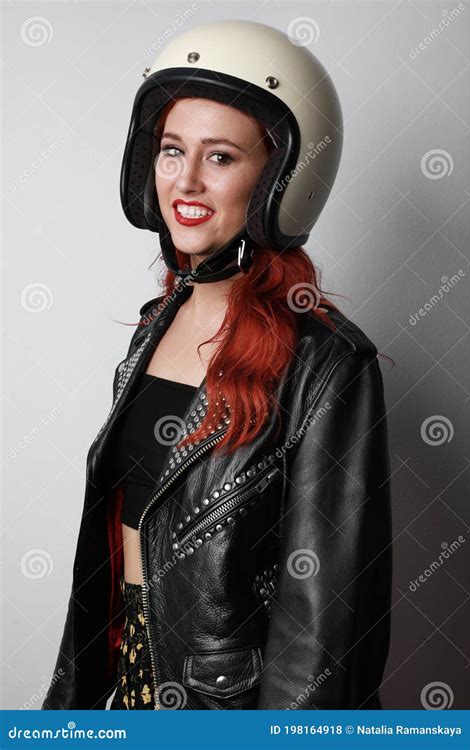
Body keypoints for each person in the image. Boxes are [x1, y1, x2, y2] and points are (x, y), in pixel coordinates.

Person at [42, 19, 392, 711]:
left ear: (281, 180)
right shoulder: (153, 327)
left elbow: (325, 635)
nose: (186, 180)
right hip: (132, 682)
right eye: (172, 150)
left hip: (229, 707)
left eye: (222, 157)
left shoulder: (328, 365)